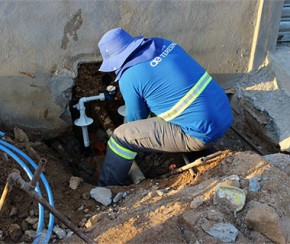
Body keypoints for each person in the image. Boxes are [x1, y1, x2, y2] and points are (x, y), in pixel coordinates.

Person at [97, 27, 232, 186]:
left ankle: (107, 187)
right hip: (225, 113)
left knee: (122, 136)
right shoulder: (164, 44)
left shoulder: (129, 78)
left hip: (200, 134)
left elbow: (136, 121)